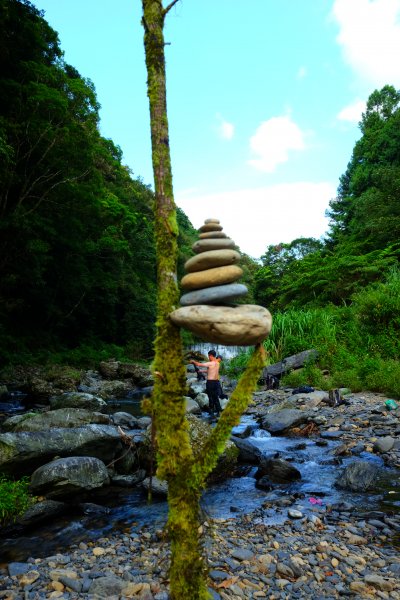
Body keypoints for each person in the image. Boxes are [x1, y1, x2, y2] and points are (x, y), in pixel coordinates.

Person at [191, 349, 222, 417]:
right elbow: (210, 371)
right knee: (215, 397)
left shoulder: (210, 363)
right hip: (216, 382)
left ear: (211, 355)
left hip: (210, 382)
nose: (208, 358)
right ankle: (218, 411)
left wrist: (193, 361)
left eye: (208, 356)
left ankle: (211, 412)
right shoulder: (217, 363)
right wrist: (201, 372)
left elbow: (199, 364)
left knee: (210, 396)